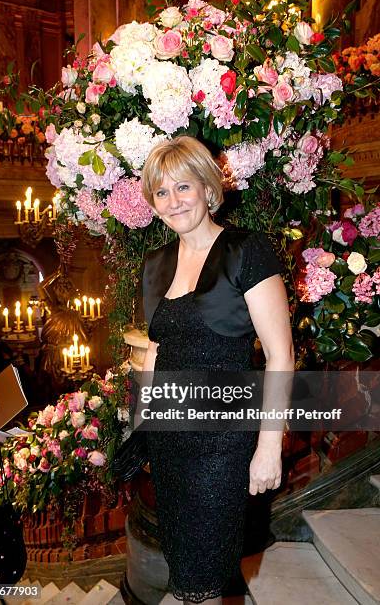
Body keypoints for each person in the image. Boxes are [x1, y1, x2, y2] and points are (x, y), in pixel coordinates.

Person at [139, 136, 294, 604]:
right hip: (170, 445)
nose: (173, 201)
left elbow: (280, 356)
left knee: (204, 580)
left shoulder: (246, 251)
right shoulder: (154, 265)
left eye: (183, 187)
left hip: (221, 445)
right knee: (184, 572)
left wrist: (268, 448)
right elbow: (154, 350)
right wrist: (143, 424)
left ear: (208, 189)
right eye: (161, 192)